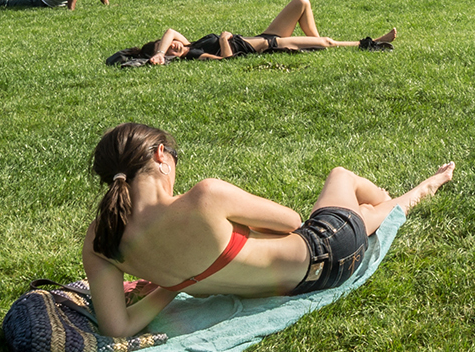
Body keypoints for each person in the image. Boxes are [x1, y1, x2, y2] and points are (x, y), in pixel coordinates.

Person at [78, 123, 453, 337]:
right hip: (328, 255)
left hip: (298, 278)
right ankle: (410, 194)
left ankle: (391, 203)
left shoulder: (100, 242)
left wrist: (170, 285)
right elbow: (292, 221)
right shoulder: (205, 196)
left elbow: (117, 327)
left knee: (362, 216)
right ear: (161, 155)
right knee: (341, 178)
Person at [110, 0, 398, 64]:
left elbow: (171, 30)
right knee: (325, 42)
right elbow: (226, 62)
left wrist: (159, 52)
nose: (174, 46)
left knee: (301, 2)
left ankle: (314, 42)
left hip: (266, 34)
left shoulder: (187, 44)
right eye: (171, 50)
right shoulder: (193, 55)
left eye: (171, 46)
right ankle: (369, 43)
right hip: (267, 45)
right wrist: (224, 41)